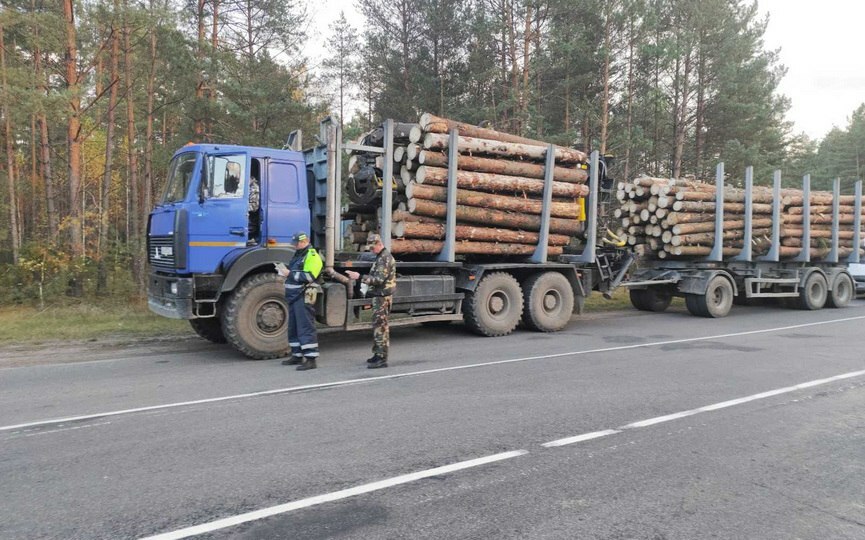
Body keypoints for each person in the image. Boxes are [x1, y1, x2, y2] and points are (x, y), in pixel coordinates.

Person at [345, 234, 396, 369]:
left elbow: (378, 280)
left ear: (379, 244)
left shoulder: (384, 258)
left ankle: (382, 358)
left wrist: (359, 276)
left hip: (382, 297)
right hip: (378, 296)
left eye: (372, 247)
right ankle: (377, 353)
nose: (371, 250)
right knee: (377, 326)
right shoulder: (380, 257)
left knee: (381, 327)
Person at [278, 232, 323, 370]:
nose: (295, 246)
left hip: (303, 296)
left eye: (297, 243)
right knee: (293, 328)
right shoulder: (299, 254)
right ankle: (297, 355)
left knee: (305, 327)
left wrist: (289, 274)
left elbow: (309, 276)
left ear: (305, 241)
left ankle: (311, 359)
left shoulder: (313, 256)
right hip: (294, 296)